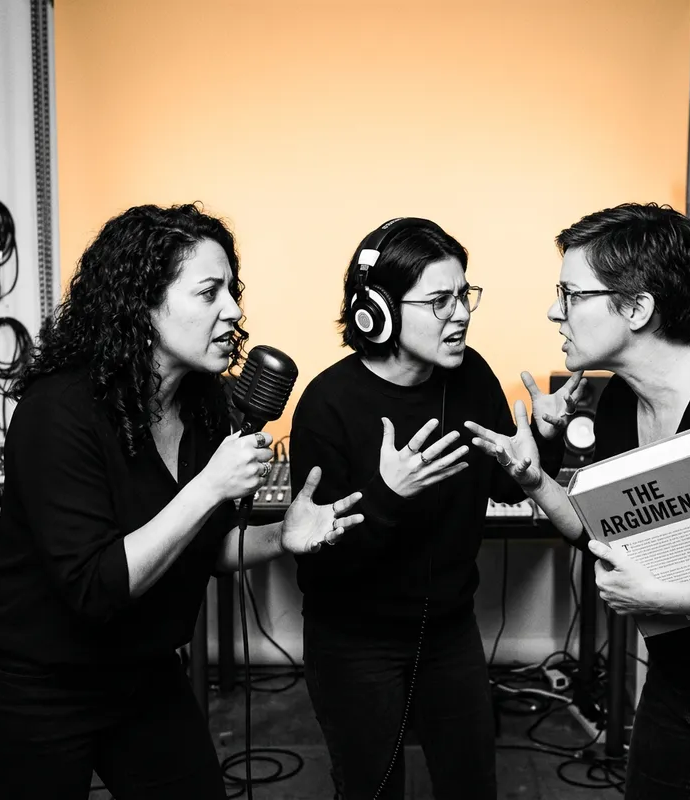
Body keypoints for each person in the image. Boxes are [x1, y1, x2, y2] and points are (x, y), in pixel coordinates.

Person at [0, 203, 364, 800]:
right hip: (38, 684)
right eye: (209, 292)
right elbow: (95, 585)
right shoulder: (60, 412)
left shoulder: (205, 409)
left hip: (141, 672)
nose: (233, 311)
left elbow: (198, 549)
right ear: (142, 304)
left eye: (232, 291)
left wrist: (278, 537)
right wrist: (209, 485)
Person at [465, 202, 690, 799]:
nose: (554, 310)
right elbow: (597, 533)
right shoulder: (614, 405)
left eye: (570, 293)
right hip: (673, 687)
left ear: (636, 308)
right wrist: (534, 479)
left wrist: (662, 596)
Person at [289, 217, 583, 800]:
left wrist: (540, 447)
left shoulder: (470, 375)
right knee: (372, 789)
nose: (462, 314)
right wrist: (388, 497)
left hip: (450, 631)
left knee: (472, 785)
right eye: (440, 300)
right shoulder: (328, 404)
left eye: (464, 295)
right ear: (378, 311)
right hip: (354, 643)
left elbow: (499, 486)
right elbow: (320, 561)